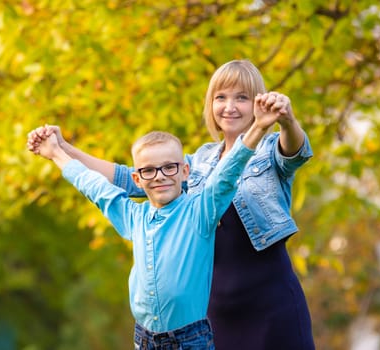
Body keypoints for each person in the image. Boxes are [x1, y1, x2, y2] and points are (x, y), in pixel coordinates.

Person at [28, 59, 315, 349]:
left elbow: (294, 150)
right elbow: (128, 179)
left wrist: (286, 120)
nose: (230, 106)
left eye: (241, 97)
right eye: (221, 97)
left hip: (271, 305)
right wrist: (62, 148)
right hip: (214, 313)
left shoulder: (269, 150)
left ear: (257, 103)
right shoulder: (199, 161)